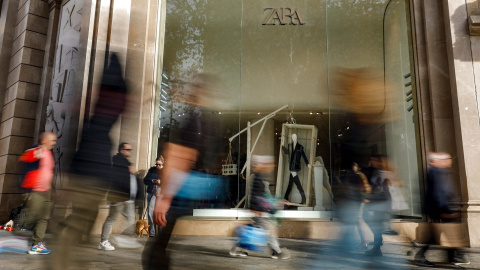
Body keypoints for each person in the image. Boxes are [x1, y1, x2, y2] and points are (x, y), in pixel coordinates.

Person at [49, 53, 128, 269]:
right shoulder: (99, 128)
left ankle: (62, 257)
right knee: (78, 224)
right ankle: (57, 262)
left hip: (90, 179)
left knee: (82, 223)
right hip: (90, 180)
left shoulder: (97, 125)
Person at [142, 73, 225, 269]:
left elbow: (181, 156)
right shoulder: (208, 120)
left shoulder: (193, 120)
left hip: (180, 189)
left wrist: (165, 197)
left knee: (157, 248)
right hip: (189, 188)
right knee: (160, 245)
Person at [414, 152, 470, 267]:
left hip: (440, 209)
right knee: (441, 234)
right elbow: (438, 193)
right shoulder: (435, 172)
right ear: (437, 161)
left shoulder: (439, 172)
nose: (449, 160)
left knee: (439, 234)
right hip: (441, 209)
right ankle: (452, 257)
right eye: (447, 159)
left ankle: (452, 257)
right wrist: (445, 210)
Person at [230, 155, 290, 259]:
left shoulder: (259, 177)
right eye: (267, 164)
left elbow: (260, 197)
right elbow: (256, 197)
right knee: (268, 231)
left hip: (259, 211)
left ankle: (237, 248)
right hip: (259, 211)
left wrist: (277, 202)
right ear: (260, 165)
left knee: (258, 232)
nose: (270, 166)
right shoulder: (257, 178)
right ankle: (277, 252)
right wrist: (260, 208)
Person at [19, 132, 57, 255]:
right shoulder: (35, 150)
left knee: (44, 218)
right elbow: (25, 166)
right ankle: (13, 231)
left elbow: (49, 172)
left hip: (47, 191)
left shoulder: (50, 154)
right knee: (31, 218)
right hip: (35, 190)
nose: (54, 143)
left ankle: (36, 244)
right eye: (52, 140)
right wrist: (26, 191)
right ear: (44, 140)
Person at [98, 143, 139, 250]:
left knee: (129, 218)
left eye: (131, 149)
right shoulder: (118, 161)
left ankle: (124, 239)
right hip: (119, 197)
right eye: (128, 149)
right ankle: (103, 241)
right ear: (122, 150)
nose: (130, 151)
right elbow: (116, 179)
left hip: (127, 198)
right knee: (111, 218)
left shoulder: (126, 163)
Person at [282, 133, 311, 205]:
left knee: (295, 184)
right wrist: (282, 145)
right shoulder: (290, 145)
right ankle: (288, 198)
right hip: (291, 167)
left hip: (295, 167)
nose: (294, 138)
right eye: (292, 137)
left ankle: (286, 198)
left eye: (295, 136)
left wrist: (307, 164)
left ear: (296, 137)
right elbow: (287, 152)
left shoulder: (300, 147)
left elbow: (303, 155)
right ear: (292, 138)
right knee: (290, 184)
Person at [143, 155, 164, 237]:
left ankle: (161, 232)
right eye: (157, 164)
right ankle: (152, 231)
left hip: (162, 194)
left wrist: (161, 182)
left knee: (160, 212)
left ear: (163, 163)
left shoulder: (166, 171)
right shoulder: (152, 170)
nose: (158, 166)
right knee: (150, 211)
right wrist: (152, 180)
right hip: (152, 192)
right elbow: (145, 180)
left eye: (160, 165)